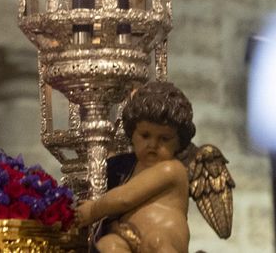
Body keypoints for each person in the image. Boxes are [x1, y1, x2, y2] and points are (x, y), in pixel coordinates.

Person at [76, 82, 195, 253]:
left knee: (158, 245)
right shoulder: (129, 167)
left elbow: (125, 198)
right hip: (127, 235)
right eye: (145, 135)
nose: (153, 144)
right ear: (132, 134)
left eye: (164, 139)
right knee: (108, 245)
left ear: (179, 142)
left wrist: (93, 210)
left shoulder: (171, 169)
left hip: (163, 236)